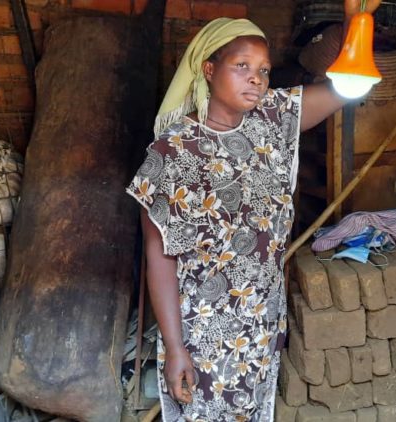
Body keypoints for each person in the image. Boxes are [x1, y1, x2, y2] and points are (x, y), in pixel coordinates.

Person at [126, 1, 376, 419]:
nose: (256, 80)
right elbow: (159, 257)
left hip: (262, 321)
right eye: (242, 66)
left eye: (263, 70)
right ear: (208, 69)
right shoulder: (172, 152)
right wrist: (174, 347)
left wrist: (358, 20)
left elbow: (347, 87)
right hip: (203, 333)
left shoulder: (271, 120)